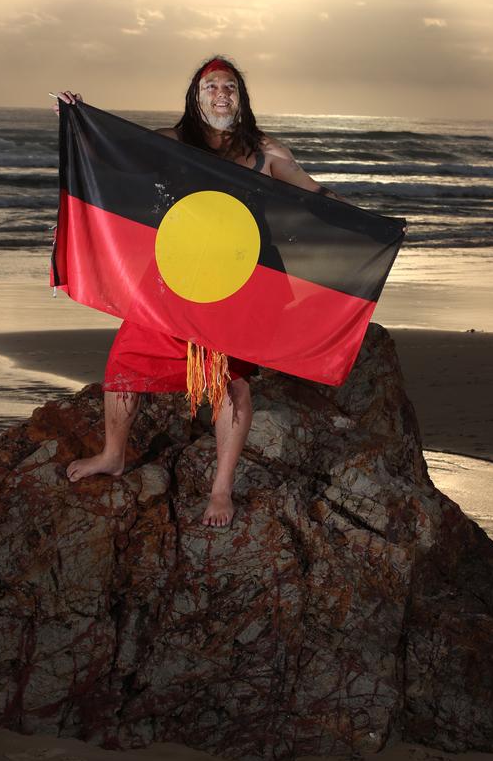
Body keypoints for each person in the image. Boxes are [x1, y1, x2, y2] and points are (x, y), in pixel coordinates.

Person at [53, 56, 400, 529]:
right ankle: (113, 454)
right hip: (177, 275)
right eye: (211, 86)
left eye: (230, 87)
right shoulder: (174, 144)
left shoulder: (267, 151)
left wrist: (365, 222)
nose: (221, 94)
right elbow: (118, 152)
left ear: (241, 98)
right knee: (125, 366)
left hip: (240, 279)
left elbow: (313, 194)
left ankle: (221, 490)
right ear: (197, 97)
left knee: (231, 382)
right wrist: (78, 121)